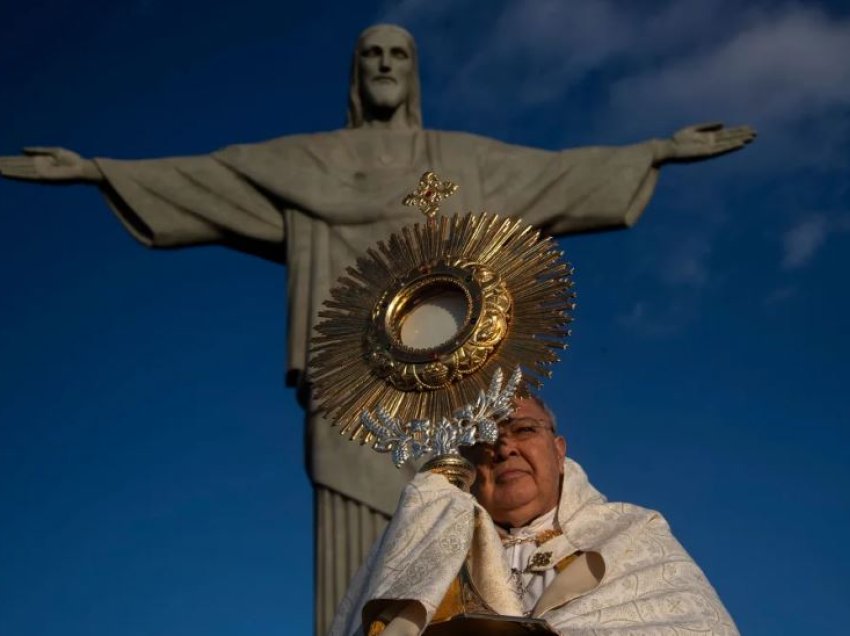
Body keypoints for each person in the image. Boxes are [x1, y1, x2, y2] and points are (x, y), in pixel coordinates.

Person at [0, 24, 754, 633]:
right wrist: (98, 170)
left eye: (398, 53)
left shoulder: (464, 163)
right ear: (356, 74)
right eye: (371, 55)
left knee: (485, 508)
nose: (385, 65)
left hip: (462, 392)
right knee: (373, 553)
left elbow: (556, 175)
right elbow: (213, 178)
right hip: (355, 387)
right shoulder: (311, 162)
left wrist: (656, 150)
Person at [330, 396, 738, 635]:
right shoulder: (426, 552)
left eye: (524, 430)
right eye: (484, 440)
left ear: (559, 451)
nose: (504, 448)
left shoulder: (631, 536)